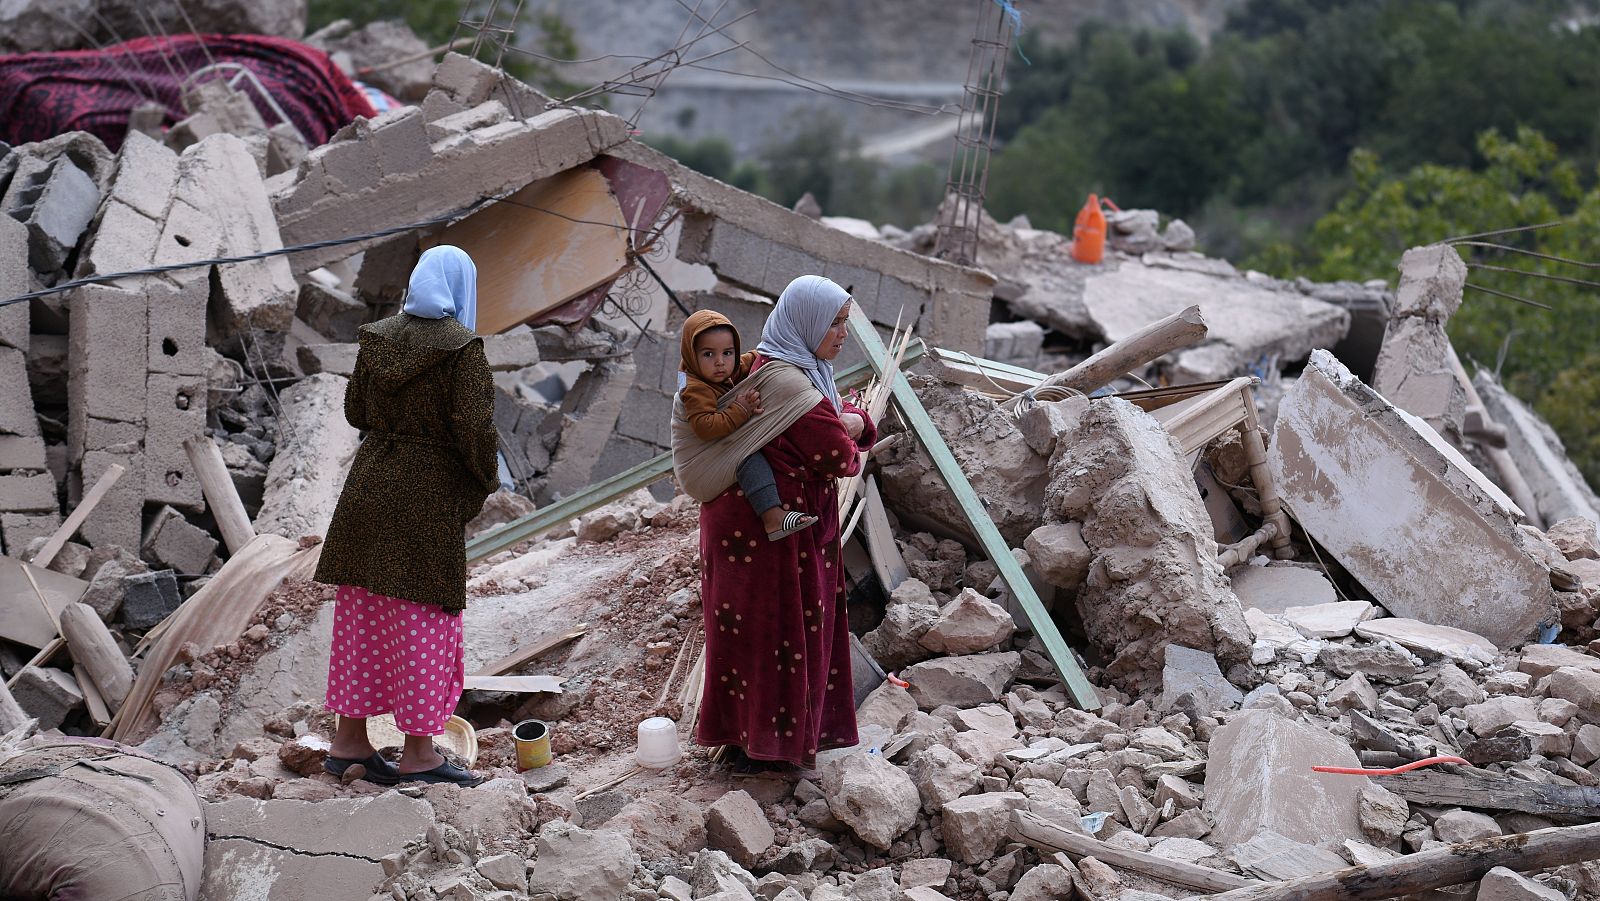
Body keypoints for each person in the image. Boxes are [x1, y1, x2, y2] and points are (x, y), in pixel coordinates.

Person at [313, 245, 500, 787]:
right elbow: (474, 430)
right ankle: (419, 753)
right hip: (427, 494)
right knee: (425, 619)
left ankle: (349, 742)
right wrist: (483, 480)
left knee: (364, 613)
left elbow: (356, 411)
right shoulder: (462, 349)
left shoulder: (377, 338)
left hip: (370, 482)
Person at [693, 275, 876, 775]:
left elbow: (832, 432)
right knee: (780, 637)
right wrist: (856, 421)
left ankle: (744, 743)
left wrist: (847, 420)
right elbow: (840, 456)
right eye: (834, 323)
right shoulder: (795, 388)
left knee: (745, 635)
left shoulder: (766, 366)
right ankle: (770, 754)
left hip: (741, 527)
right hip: (772, 537)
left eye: (845, 323)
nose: (843, 334)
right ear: (806, 323)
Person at [679, 309, 819, 540]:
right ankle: (773, 518)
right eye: (708, 354)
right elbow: (705, 427)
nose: (720, 362)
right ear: (691, 355)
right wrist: (740, 410)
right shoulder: (694, 388)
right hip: (700, 465)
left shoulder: (727, 369)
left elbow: (753, 358)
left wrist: (778, 352)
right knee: (749, 458)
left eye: (727, 352)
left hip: (719, 449)